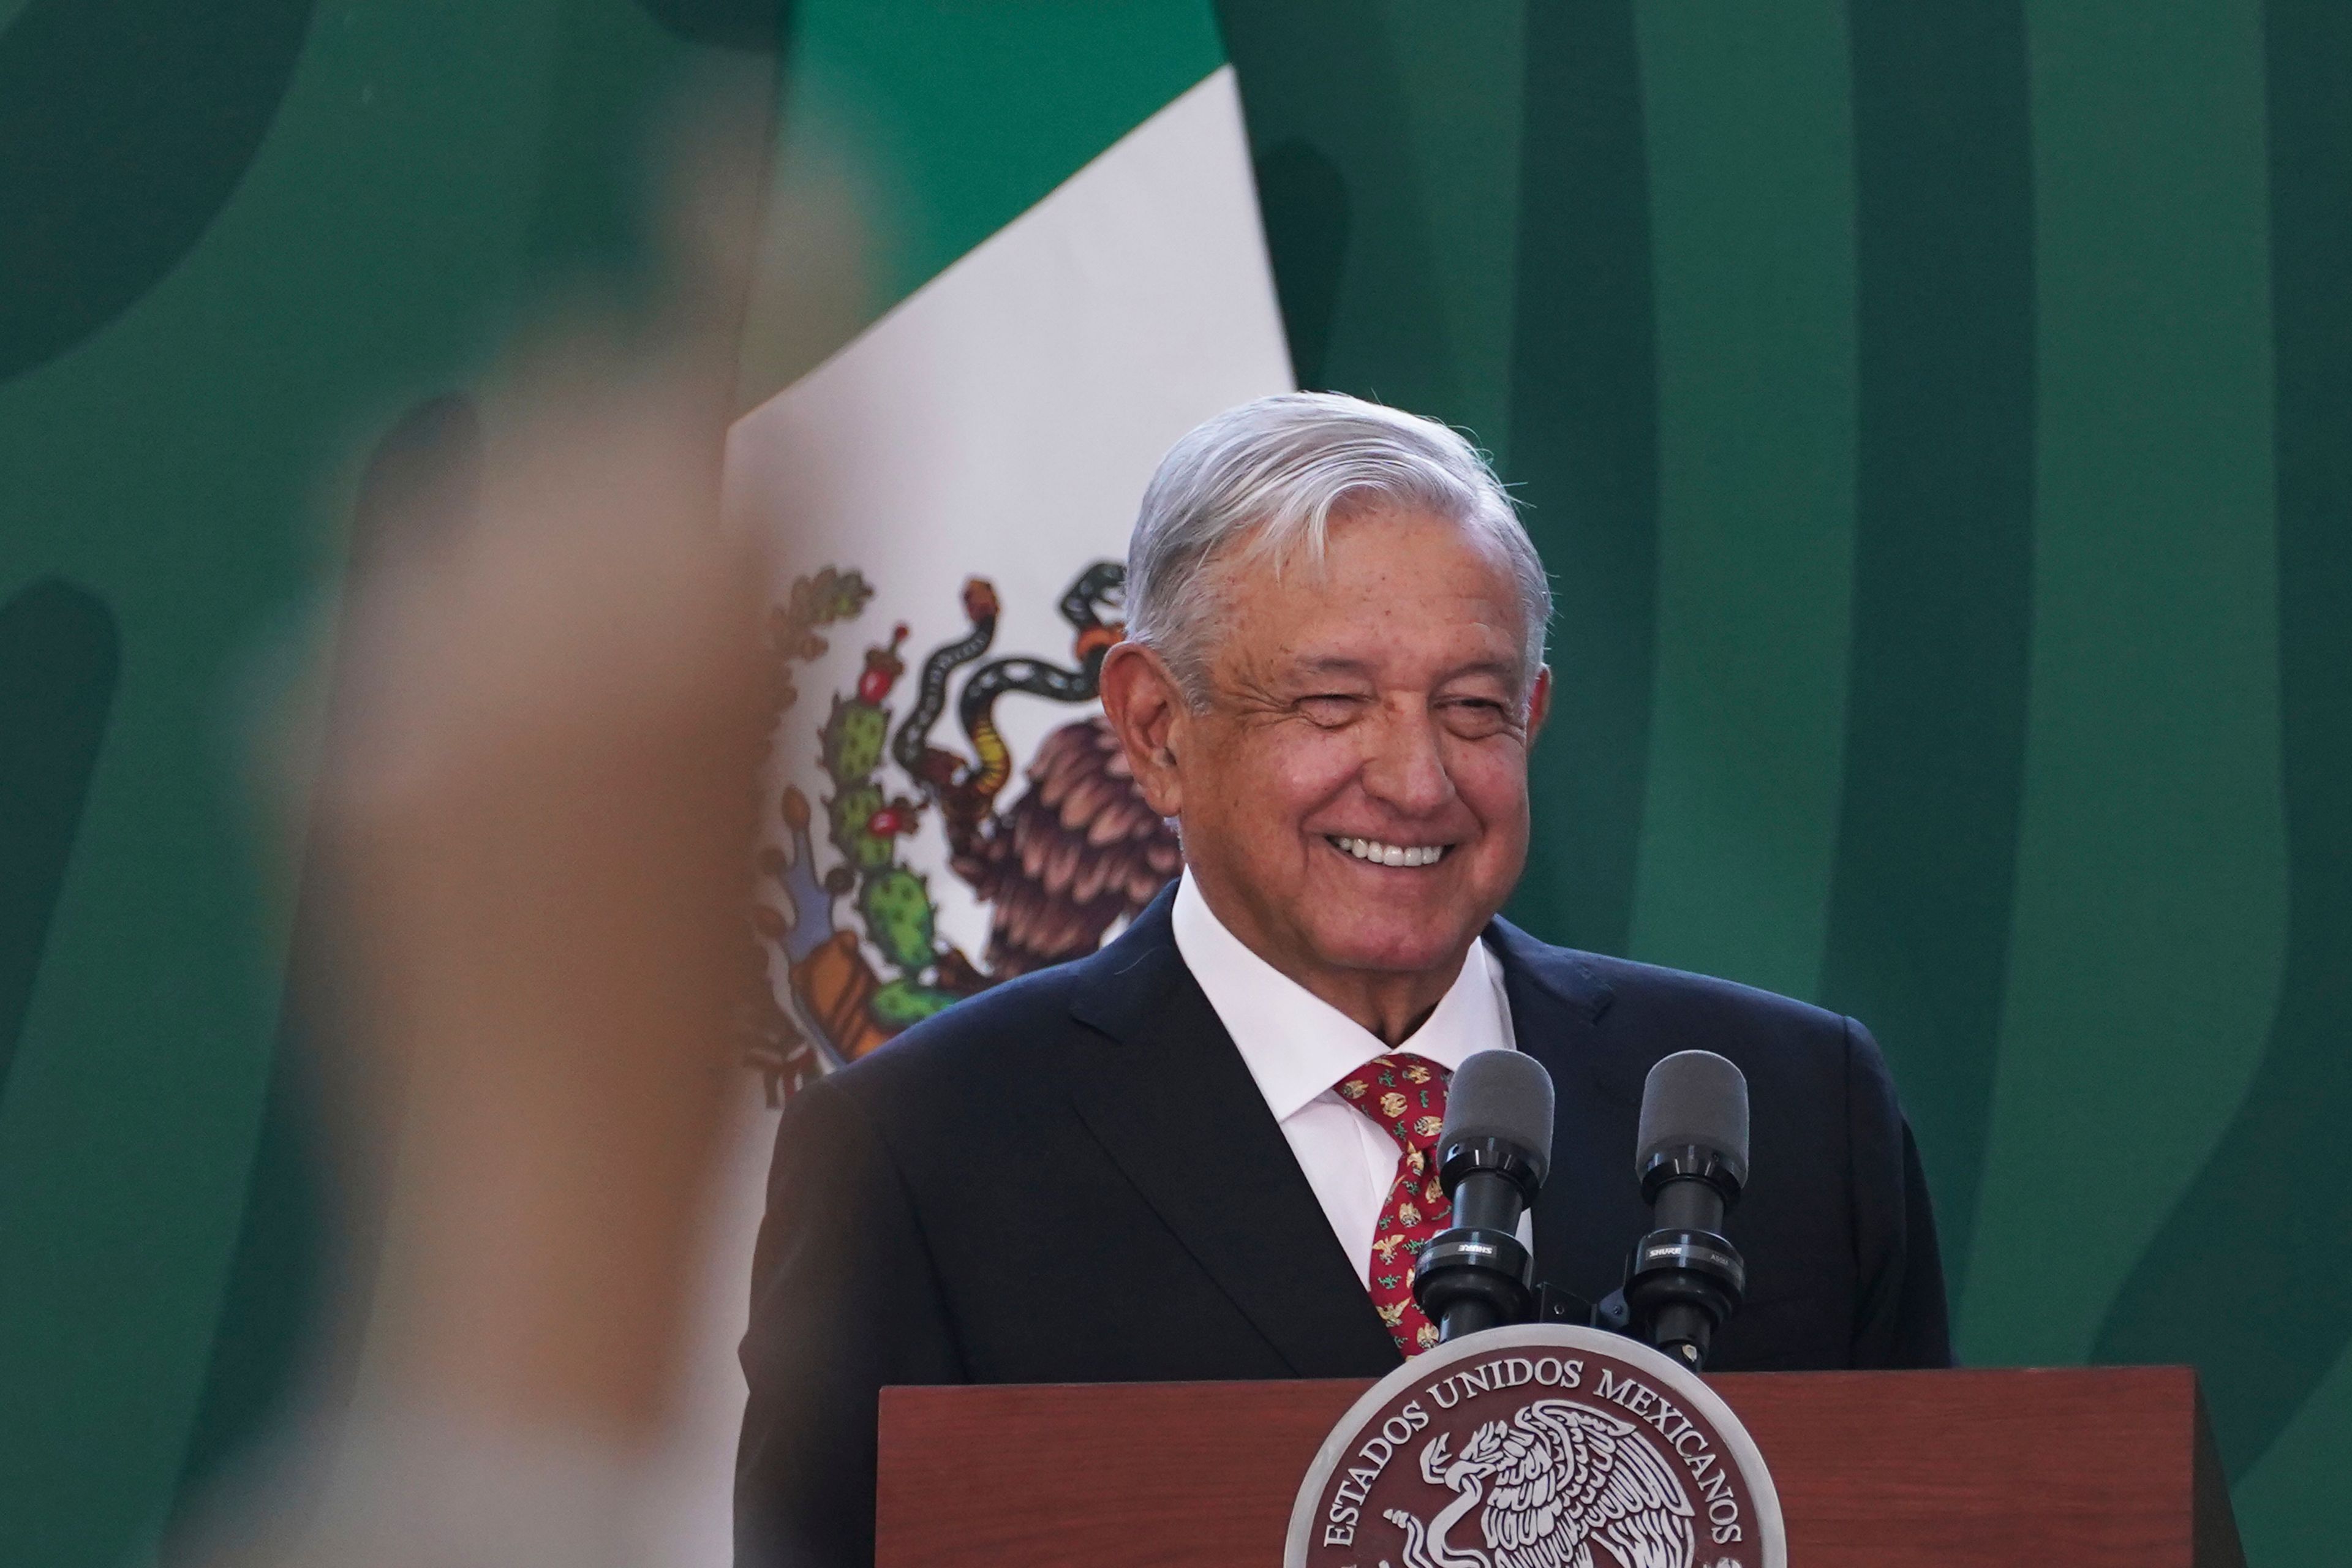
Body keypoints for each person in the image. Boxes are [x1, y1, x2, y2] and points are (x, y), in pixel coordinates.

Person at [734, 392, 1951, 1568]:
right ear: (1156, 725)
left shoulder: (1792, 1107)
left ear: (1534, 714)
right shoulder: (919, 1154)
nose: (1418, 781)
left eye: (1473, 709)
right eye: (1333, 704)